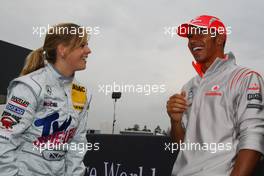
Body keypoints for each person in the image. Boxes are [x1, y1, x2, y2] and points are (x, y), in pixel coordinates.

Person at [167, 15, 264, 176]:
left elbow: (254, 139)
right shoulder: (189, 86)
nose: (192, 40)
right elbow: (182, 148)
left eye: (201, 33)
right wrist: (175, 121)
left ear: (219, 39)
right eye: (190, 36)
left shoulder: (245, 77)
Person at [0, 23, 92, 176]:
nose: (88, 51)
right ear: (62, 50)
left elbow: (77, 143)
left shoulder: (81, 92)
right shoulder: (30, 86)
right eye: (82, 45)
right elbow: (4, 140)